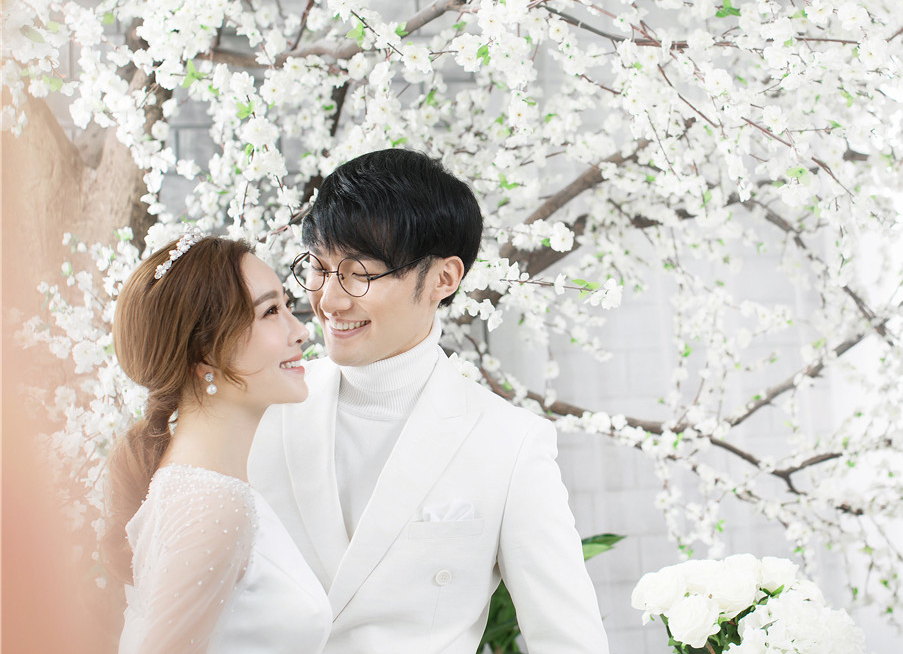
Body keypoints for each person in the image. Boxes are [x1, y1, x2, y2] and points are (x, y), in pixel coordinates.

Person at [248, 148, 609, 653]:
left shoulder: (508, 443)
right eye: (319, 268)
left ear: (444, 279)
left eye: (359, 273)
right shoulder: (259, 407)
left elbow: (569, 640)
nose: (329, 300)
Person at [105, 231, 332, 654]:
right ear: (206, 351)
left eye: (287, 306)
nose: (301, 330)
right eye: (270, 312)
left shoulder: (206, 488)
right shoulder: (212, 504)